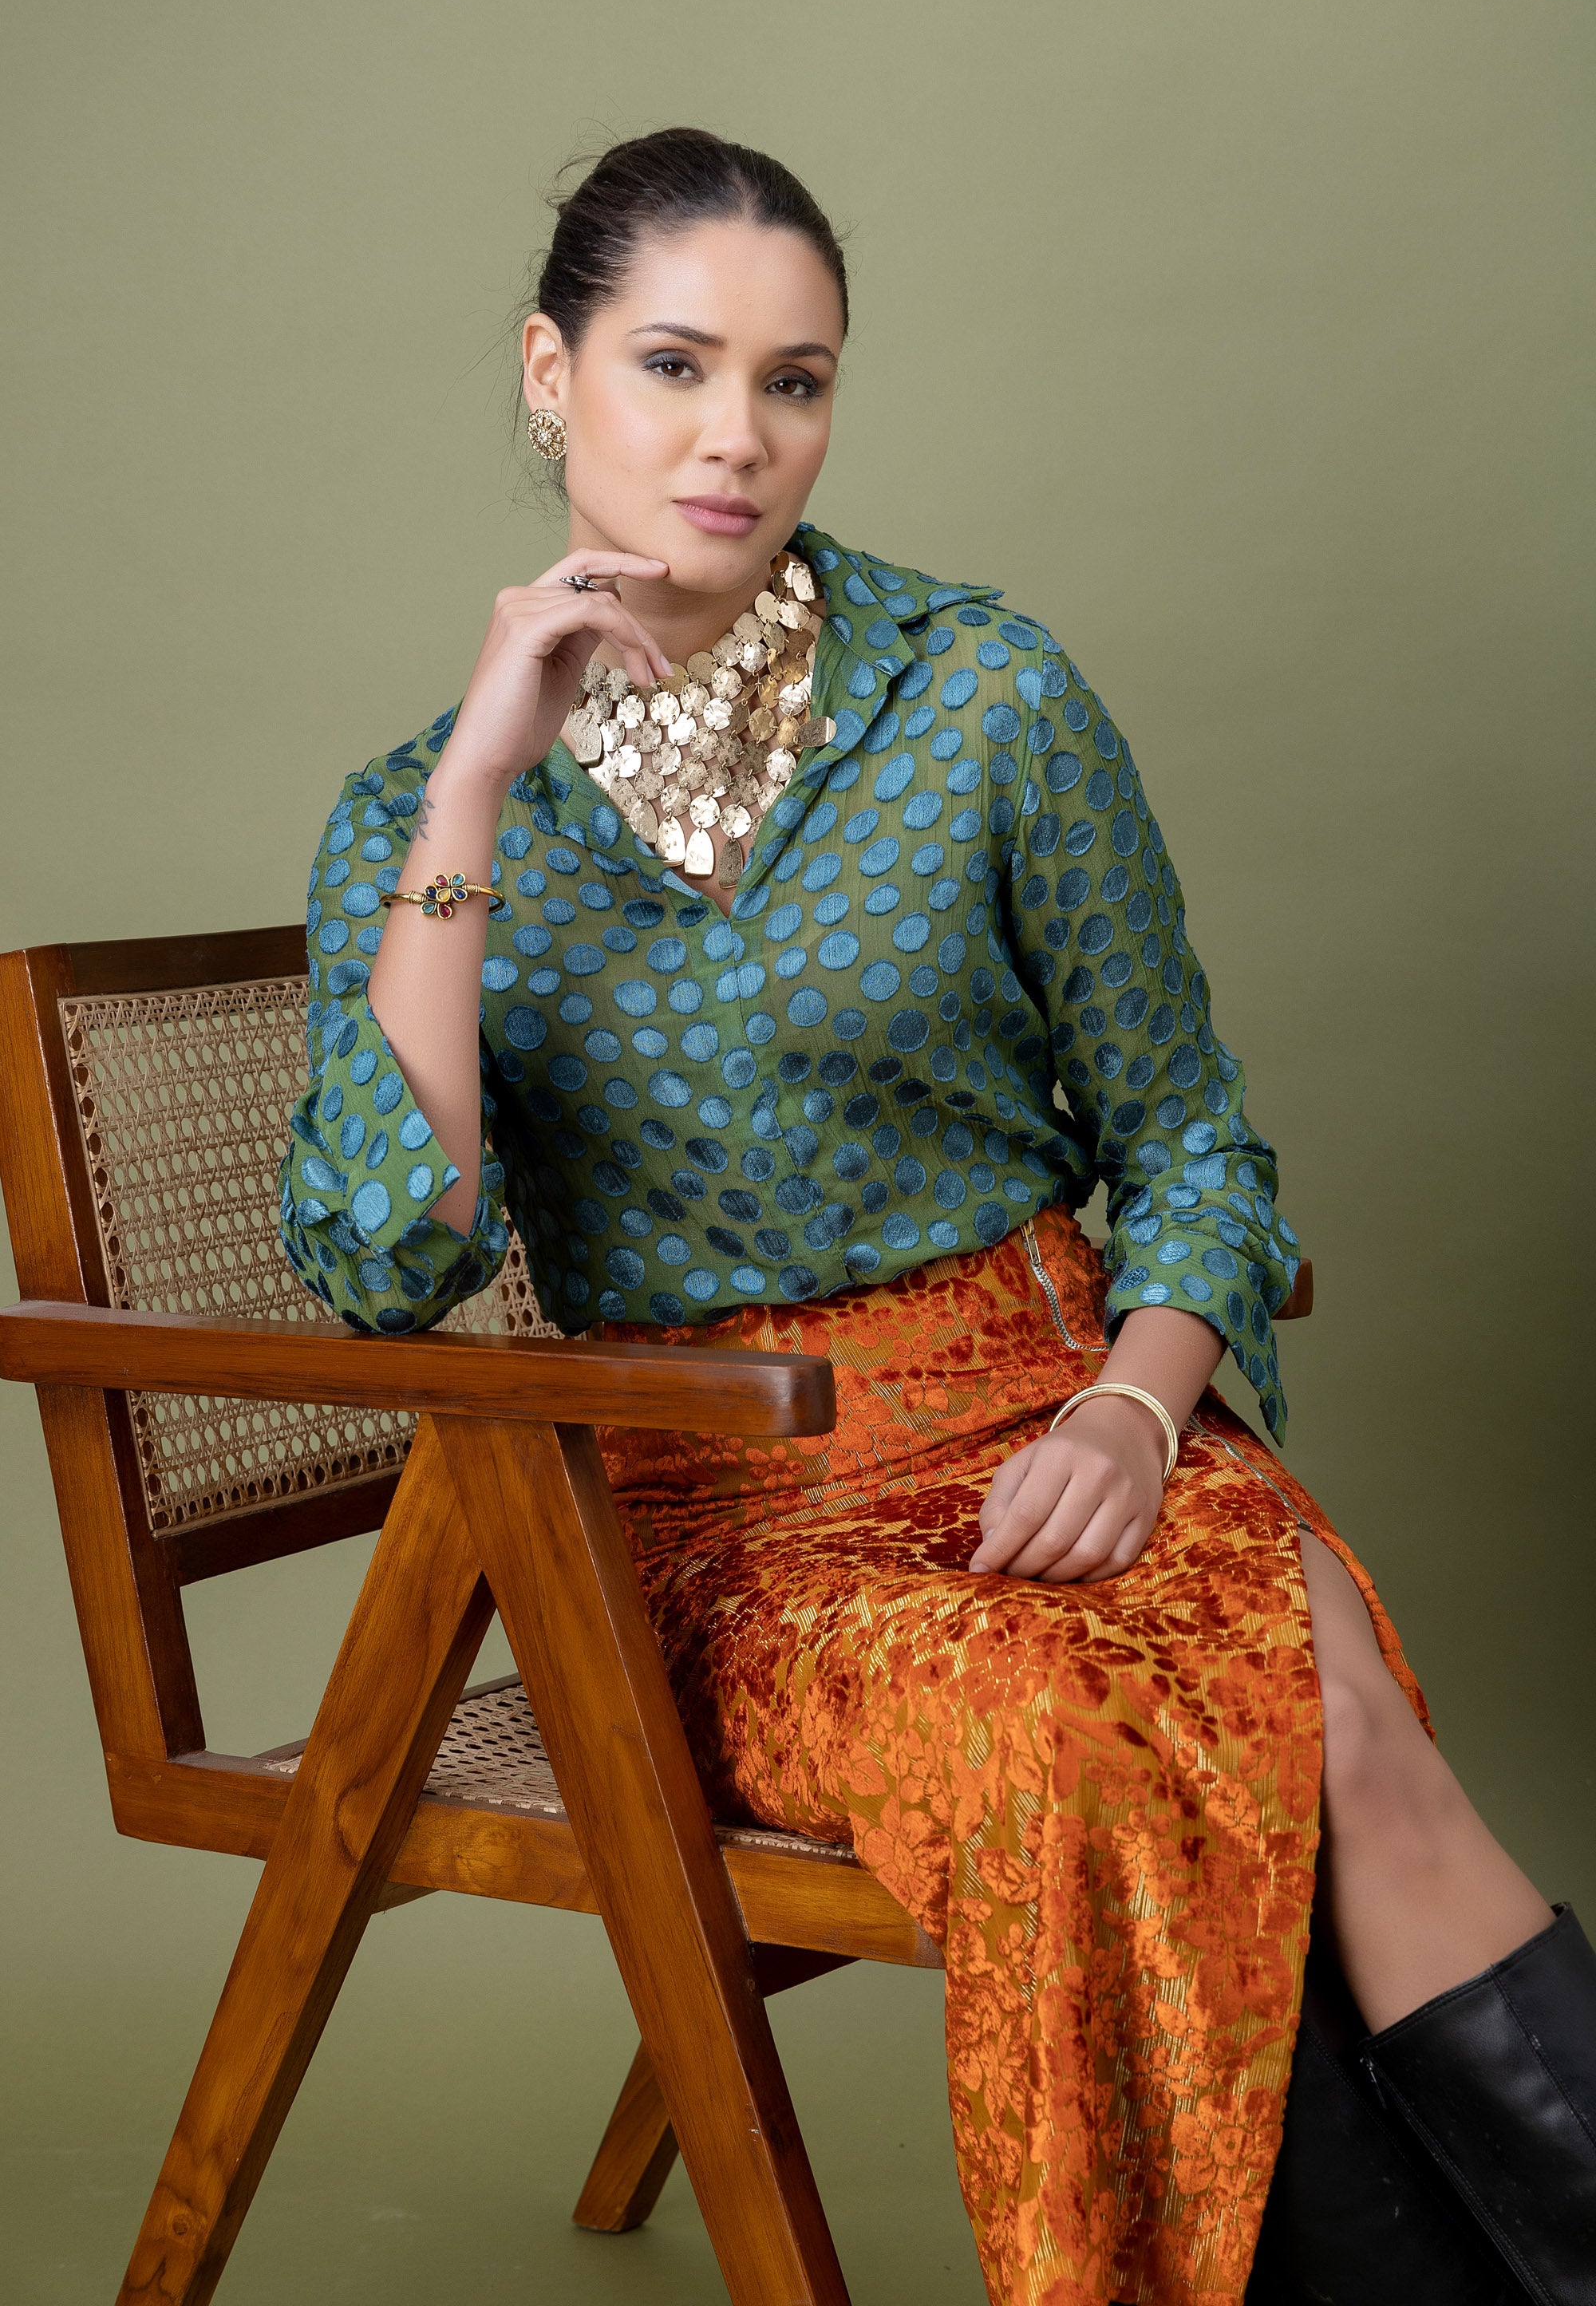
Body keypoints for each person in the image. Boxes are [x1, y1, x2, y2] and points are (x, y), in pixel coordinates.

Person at [277, 129, 1594, 2306]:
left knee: (1339, 1722)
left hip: (1064, 1416)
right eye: (676, 365)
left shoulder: (984, 699)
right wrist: (478, 786)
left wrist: (1136, 1416)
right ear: (548, 373)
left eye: (794, 381)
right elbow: (387, 1263)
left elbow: (1192, 1143)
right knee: (1059, 1745)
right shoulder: (415, 816)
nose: (737, 435)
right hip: (729, 1510)